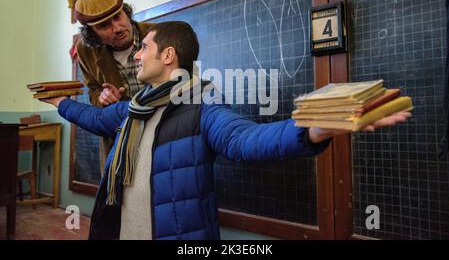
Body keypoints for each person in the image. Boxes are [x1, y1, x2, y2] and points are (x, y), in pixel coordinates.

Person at [43, 21, 411, 240]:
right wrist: (58, 103)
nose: (136, 55)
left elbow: (245, 141)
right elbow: (93, 119)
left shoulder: (203, 109)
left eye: (144, 48)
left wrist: (310, 130)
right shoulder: (133, 109)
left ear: (167, 56)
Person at [74, 0, 154, 172]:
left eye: (118, 17)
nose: (117, 28)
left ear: (126, 12)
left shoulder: (157, 34)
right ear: (92, 33)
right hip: (120, 138)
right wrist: (102, 97)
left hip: (162, 133)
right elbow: (93, 90)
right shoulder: (86, 50)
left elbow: (184, 81)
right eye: (104, 26)